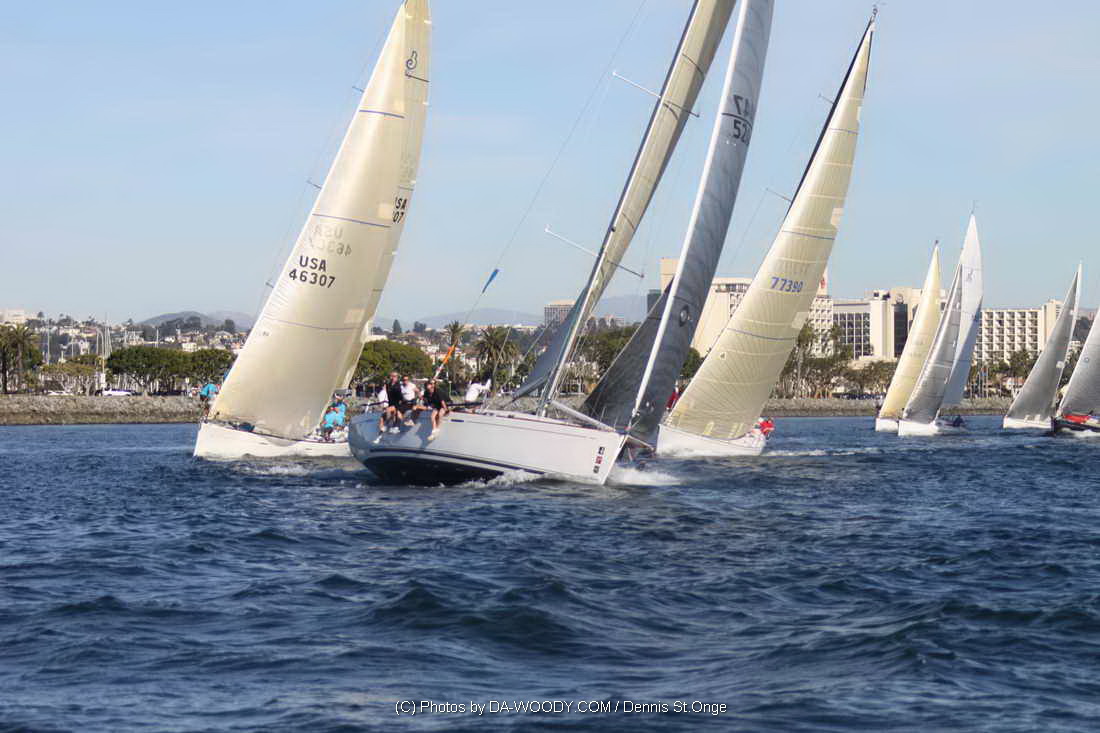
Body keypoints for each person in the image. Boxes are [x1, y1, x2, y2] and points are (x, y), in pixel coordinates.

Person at [377, 372, 404, 437]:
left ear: (397, 377)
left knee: (389, 411)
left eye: (394, 376)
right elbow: (384, 394)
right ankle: (381, 430)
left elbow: (400, 396)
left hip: (397, 404)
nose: (392, 377)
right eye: (391, 376)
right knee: (382, 418)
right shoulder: (388, 385)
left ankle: (389, 425)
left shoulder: (398, 385)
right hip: (390, 404)